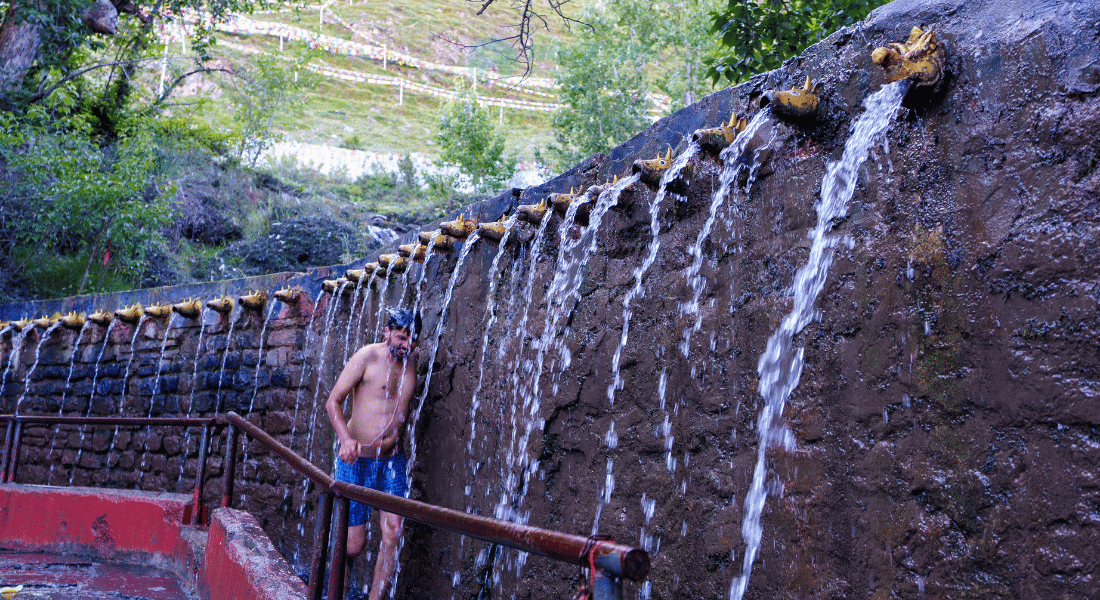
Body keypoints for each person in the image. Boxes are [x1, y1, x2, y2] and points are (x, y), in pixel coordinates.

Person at [325, 308, 421, 600]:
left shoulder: (412, 360)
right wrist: (345, 440)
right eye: (401, 338)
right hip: (357, 460)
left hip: (392, 461)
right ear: (387, 332)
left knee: (393, 533)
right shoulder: (367, 357)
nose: (406, 345)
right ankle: (335, 594)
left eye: (412, 340)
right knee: (353, 545)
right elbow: (333, 402)